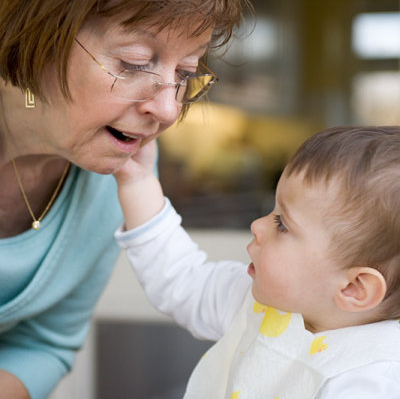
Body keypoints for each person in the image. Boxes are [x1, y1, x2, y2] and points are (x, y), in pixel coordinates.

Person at [0, 0, 253, 398]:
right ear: (36, 41)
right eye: (134, 63)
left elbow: (44, 345)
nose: (169, 110)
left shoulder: (120, 179)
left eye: (186, 72)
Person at [114, 126, 400, 398]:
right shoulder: (259, 300)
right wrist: (138, 182)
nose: (257, 226)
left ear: (354, 287)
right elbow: (181, 278)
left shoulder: (373, 380)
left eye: (282, 224)